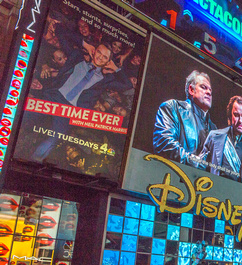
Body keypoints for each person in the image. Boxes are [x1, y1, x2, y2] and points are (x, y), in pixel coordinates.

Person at [30, 22, 132, 162]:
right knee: (25, 115)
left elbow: (127, 85)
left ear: (108, 61)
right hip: (53, 96)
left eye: (105, 57)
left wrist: (116, 68)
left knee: (55, 137)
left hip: (69, 110)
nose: (100, 57)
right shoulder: (76, 57)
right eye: (99, 53)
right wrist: (85, 44)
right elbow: (61, 33)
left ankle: (33, 161)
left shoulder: (105, 80)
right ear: (94, 51)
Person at [153, 70, 217, 167]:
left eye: (210, 90)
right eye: (203, 87)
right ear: (191, 90)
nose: (208, 92)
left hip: (204, 181)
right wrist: (195, 162)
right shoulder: (173, 108)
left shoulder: (214, 128)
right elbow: (164, 143)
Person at [200, 96, 242, 188]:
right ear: (230, 117)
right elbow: (200, 166)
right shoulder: (213, 137)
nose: (240, 121)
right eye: (236, 115)